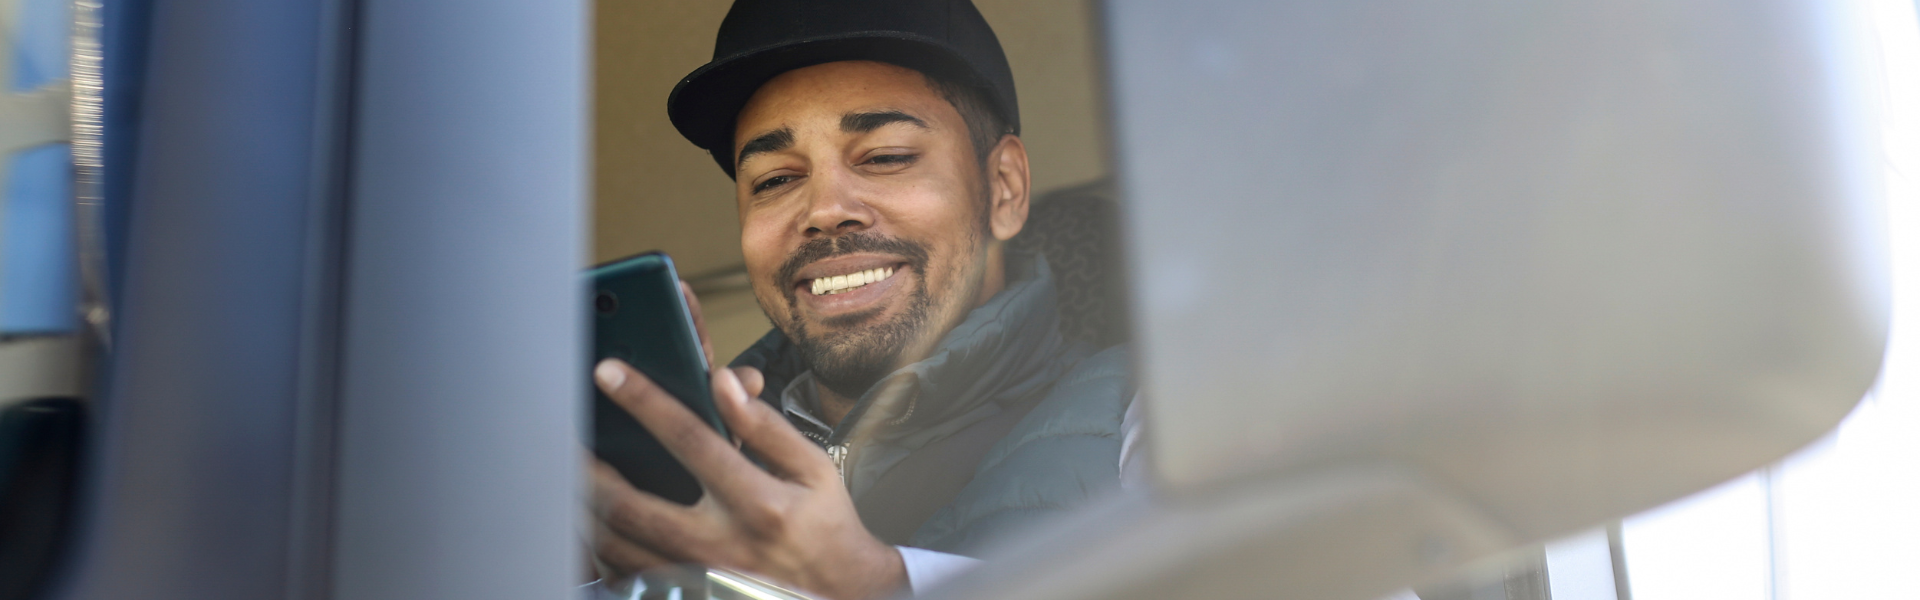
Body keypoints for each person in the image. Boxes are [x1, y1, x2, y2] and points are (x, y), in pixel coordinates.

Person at [586, 1, 1139, 598]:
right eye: (775, 179)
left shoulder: (1156, 421)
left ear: (1004, 188)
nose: (824, 209)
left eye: (885, 157)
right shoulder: (685, 485)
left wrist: (872, 584)